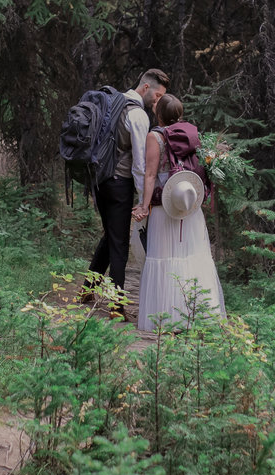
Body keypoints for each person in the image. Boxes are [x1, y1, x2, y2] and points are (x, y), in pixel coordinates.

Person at [132, 94, 225, 332]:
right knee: (192, 256)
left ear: (159, 115)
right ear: (179, 114)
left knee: (164, 258)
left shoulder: (155, 136)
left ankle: (167, 318)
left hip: (164, 208)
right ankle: (198, 315)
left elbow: (150, 174)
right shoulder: (192, 134)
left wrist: (143, 206)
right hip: (189, 207)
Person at [84, 68, 170, 311]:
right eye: (157, 95)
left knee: (112, 235)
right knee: (120, 245)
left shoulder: (112, 102)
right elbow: (140, 165)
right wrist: (145, 201)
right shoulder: (138, 115)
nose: (157, 101)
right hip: (119, 183)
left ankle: (87, 289)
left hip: (99, 179)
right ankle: (116, 306)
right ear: (146, 88)